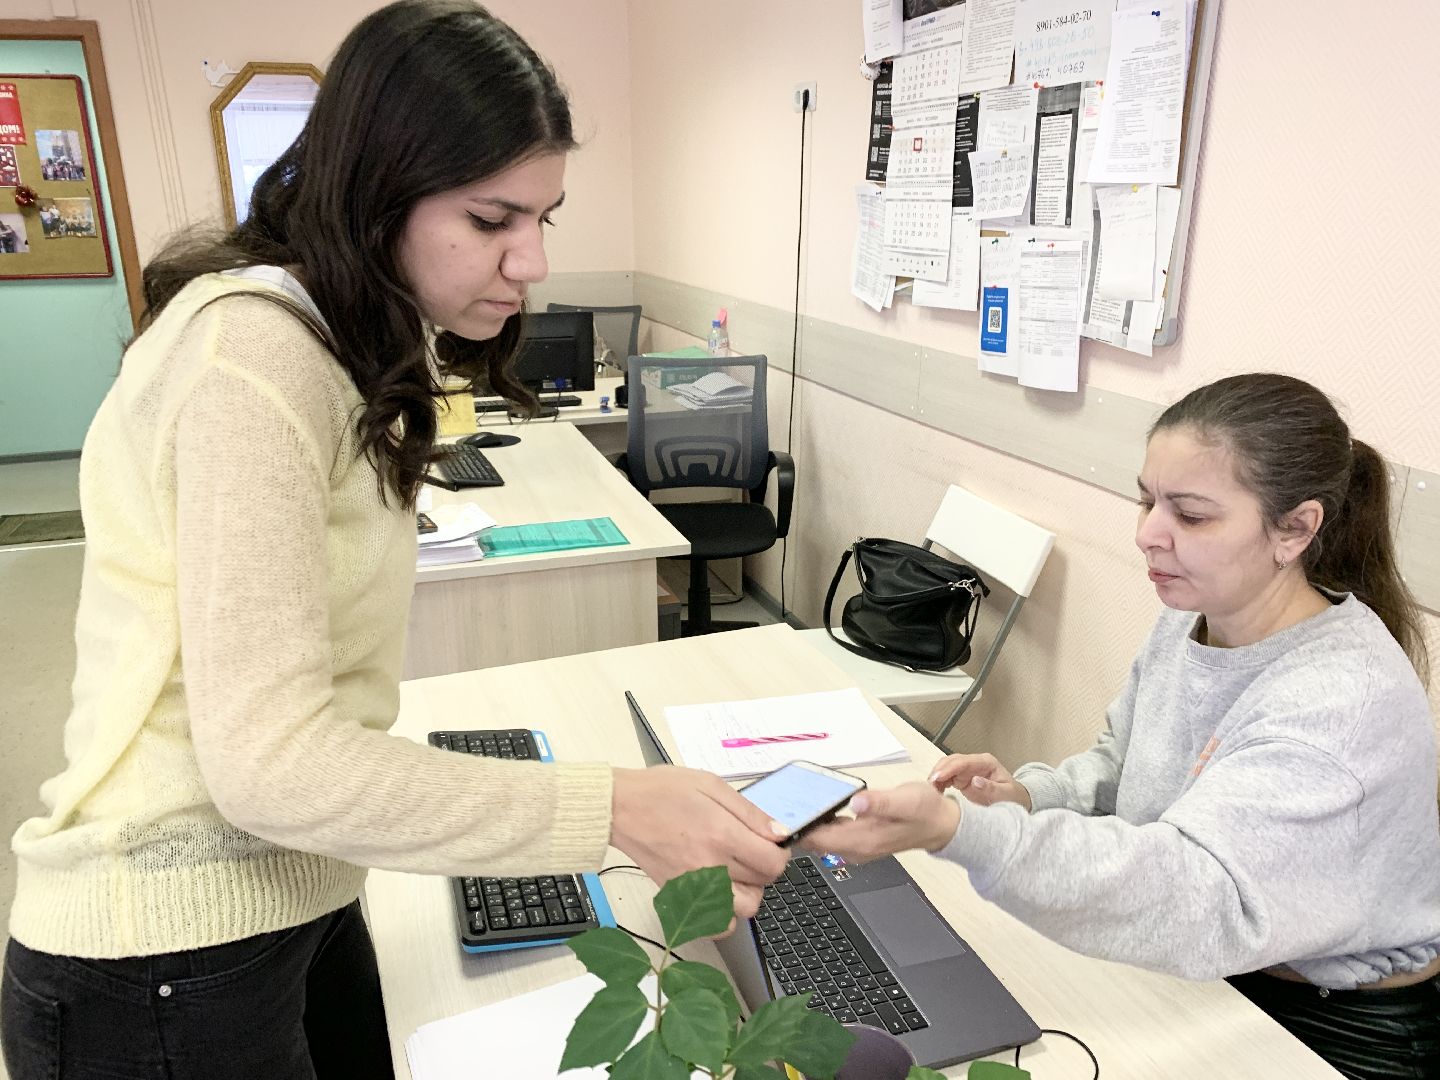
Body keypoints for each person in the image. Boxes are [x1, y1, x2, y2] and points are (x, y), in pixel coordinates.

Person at [0, 4, 789, 1079]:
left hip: (297, 889)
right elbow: (268, 765)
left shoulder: (335, 342)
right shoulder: (253, 359)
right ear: (376, 191)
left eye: (546, 215)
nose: (533, 261)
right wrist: (612, 808)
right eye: (492, 218)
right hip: (164, 947)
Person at [806, 373, 1440, 1080]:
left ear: (1296, 528)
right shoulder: (1191, 618)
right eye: (1147, 499)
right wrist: (1029, 798)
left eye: (1191, 516)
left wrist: (965, 833)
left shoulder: (1337, 702)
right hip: (1221, 971)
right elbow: (1121, 762)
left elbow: (1198, 894)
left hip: (1331, 1027)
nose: (1147, 534)